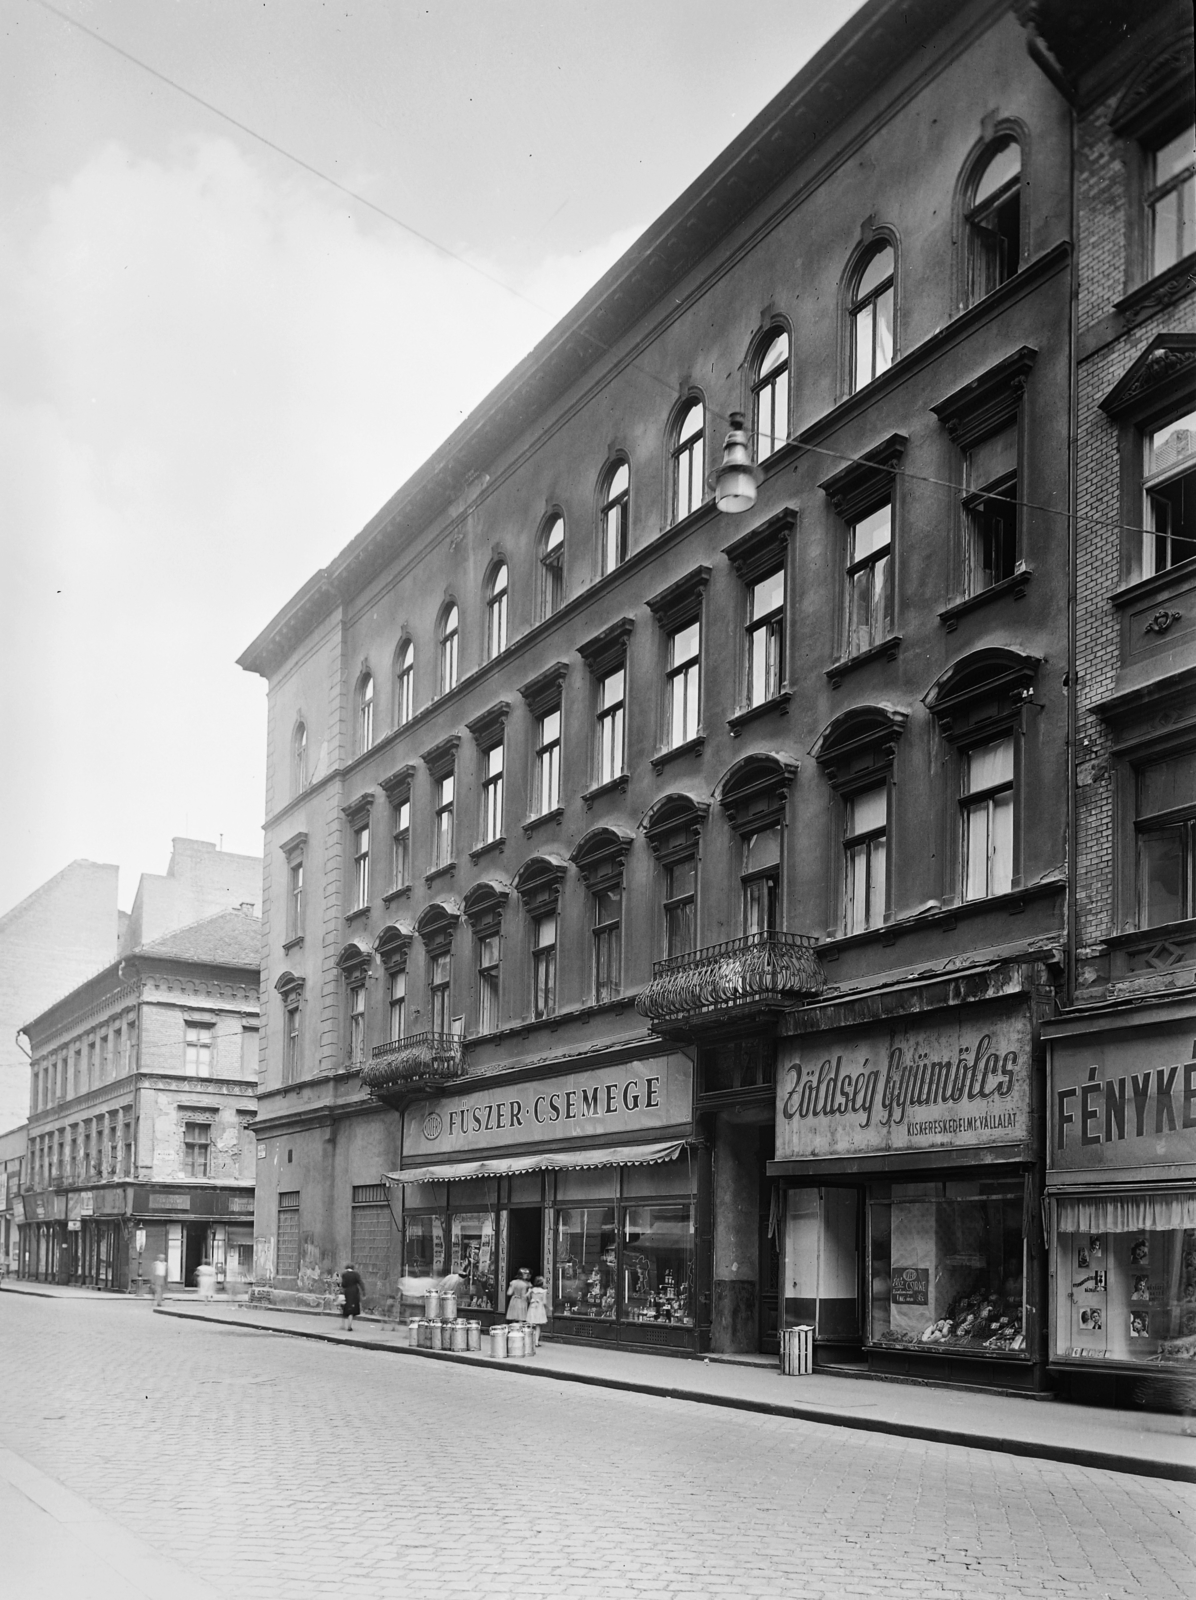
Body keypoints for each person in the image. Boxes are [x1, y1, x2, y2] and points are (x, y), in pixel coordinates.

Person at [340, 1263, 364, 1331]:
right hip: (354, 1293)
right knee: (352, 1310)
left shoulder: (344, 1274)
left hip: (347, 1292)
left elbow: (343, 1284)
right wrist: (363, 1291)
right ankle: (349, 1325)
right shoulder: (356, 1274)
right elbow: (360, 1283)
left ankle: (343, 1325)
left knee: (345, 1308)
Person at [526, 1275, 548, 1349]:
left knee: (531, 1324)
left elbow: (528, 1298)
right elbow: (544, 1302)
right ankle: (536, 1342)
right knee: (538, 1325)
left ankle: (529, 1340)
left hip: (532, 1307)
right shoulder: (543, 1291)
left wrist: (532, 1300)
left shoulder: (532, 1290)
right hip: (540, 1308)